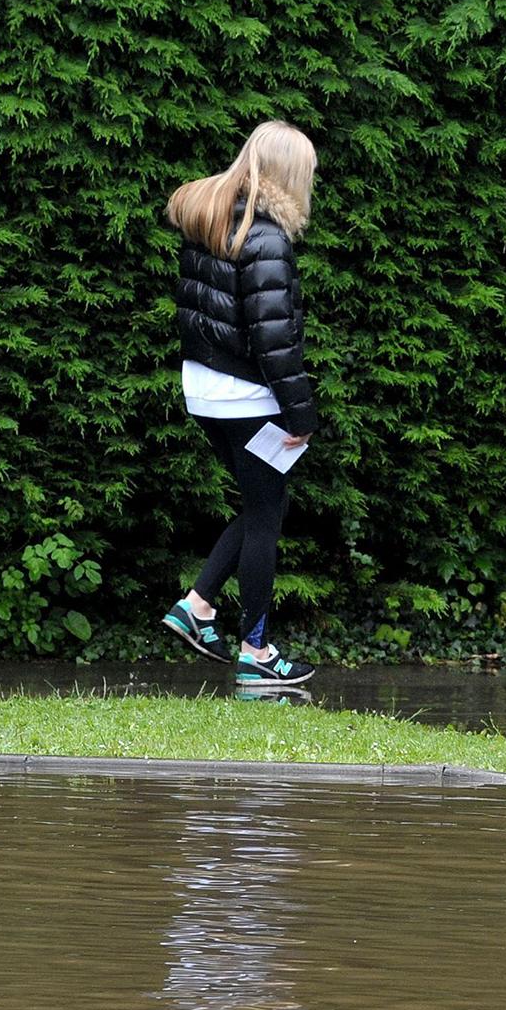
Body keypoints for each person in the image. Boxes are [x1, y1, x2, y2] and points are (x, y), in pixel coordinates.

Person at [158, 120, 322, 688]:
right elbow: (274, 341)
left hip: (204, 388)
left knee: (259, 508)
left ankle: (198, 606)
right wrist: (300, 417)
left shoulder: (211, 218)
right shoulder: (267, 237)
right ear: (290, 174)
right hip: (249, 396)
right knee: (266, 519)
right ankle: (256, 650)